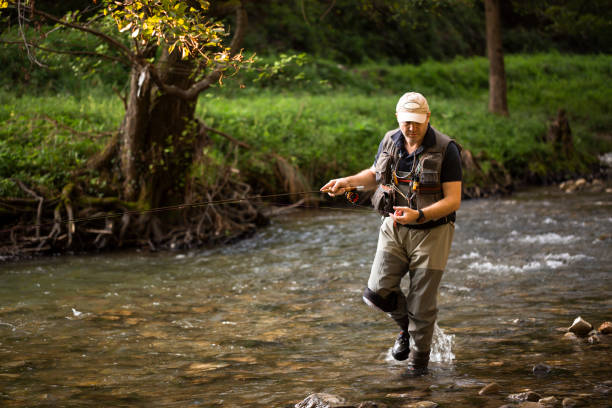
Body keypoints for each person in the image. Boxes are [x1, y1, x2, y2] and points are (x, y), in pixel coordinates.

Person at [320, 92, 462, 375]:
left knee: (422, 307)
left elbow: (453, 199)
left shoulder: (447, 149)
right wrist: (347, 182)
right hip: (394, 227)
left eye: (417, 122)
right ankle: (406, 331)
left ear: (428, 118)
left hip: (433, 231)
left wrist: (419, 215)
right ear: (398, 118)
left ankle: (417, 370)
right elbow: (374, 174)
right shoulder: (390, 140)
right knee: (376, 293)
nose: (411, 128)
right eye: (407, 122)